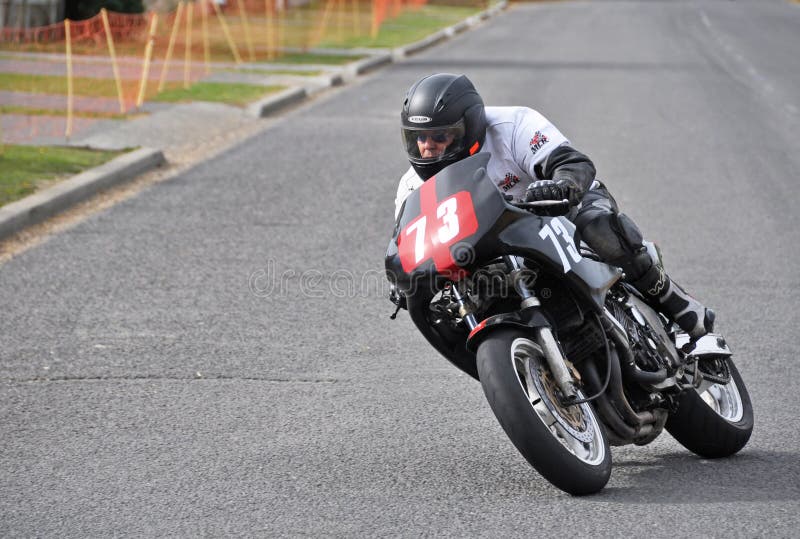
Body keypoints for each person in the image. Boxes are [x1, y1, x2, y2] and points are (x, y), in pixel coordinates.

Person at [393, 73, 714, 340]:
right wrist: (405, 280)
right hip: (492, 257)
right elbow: (408, 244)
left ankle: (672, 301)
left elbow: (571, 163)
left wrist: (563, 184)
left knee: (599, 226)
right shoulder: (411, 189)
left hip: (553, 213)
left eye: (440, 136)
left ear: (471, 126)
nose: (427, 147)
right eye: (419, 139)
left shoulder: (511, 125)